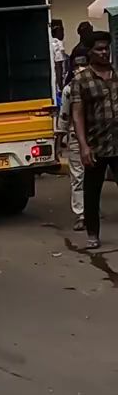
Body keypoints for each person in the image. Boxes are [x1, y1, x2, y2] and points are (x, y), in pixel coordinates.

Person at [71, 31, 118, 249]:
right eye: (99, 49)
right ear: (90, 52)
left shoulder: (116, 74)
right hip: (96, 144)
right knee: (92, 191)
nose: (104, 52)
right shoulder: (82, 80)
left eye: (106, 48)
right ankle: (93, 234)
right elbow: (78, 113)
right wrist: (83, 145)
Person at [58, 48, 89, 231]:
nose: (80, 69)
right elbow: (64, 116)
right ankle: (81, 214)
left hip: (98, 136)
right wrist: (59, 142)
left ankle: (90, 209)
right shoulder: (70, 89)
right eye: (77, 65)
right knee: (78, 177)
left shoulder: (99, 84)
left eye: (83, 64)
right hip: (76, 137)